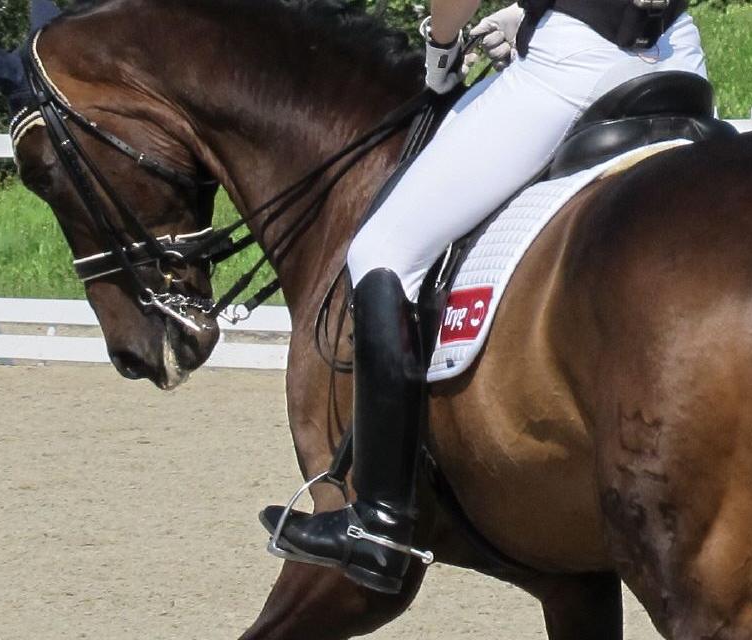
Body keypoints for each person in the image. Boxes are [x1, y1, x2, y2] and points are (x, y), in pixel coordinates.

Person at [265, 0, 704, 594]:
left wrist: (442, 49)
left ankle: (379, 522)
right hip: (678, 56)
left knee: (382, 251)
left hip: (575, 64)